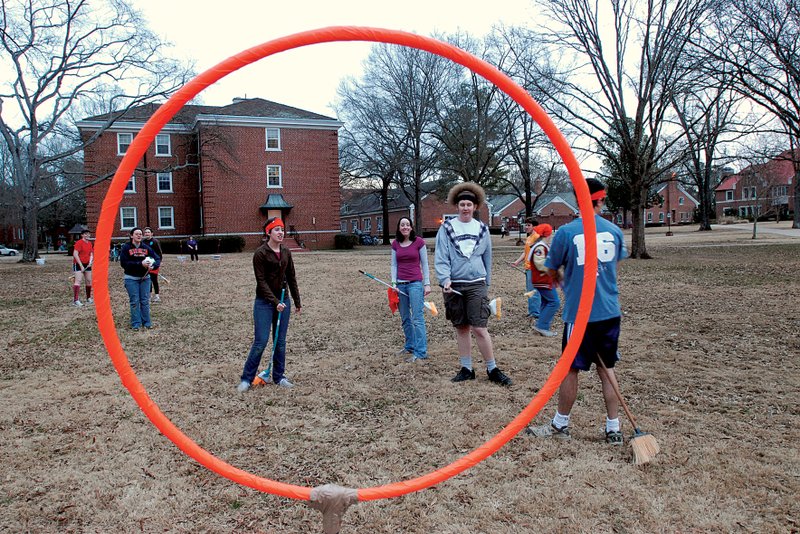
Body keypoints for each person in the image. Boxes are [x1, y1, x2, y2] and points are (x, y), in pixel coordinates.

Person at [527, 178, 628, 445]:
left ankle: (560, 425)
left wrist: (560, 277)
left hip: (580, 315)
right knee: (607, 369)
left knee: (570, 369)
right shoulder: (614, 231)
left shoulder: (566, 233)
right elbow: (612, 271)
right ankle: (613, 428)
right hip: (609, 311)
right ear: (601, 200)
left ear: (576, 199)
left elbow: (550, 268)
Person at [434, 182, 512, 386]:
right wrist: (445, 279)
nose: (465, 208)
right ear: (457, 207)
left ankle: (492, 368)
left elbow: (487, 256)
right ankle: (466, 368)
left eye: (469, 204)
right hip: (454, 286)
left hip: (476, 284)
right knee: (461, 327)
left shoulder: (482, 229)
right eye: (462, 205)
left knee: (479, 328)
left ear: (475, 206)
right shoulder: (447, 228)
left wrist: (486, 281)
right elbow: (441, 256)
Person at [237, 218, 302, 392]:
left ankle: (279, 377)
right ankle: (246, 378)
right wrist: (275, 302)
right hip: (264, 303)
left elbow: (291, 277)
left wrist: (296, 301)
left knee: (280, 342)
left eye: (282, 229)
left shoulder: (286, 252)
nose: (281, 232)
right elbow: (261, 281)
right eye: (277, 230)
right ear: (268, 233)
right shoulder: (260, 253)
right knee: (261, 341)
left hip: (283, 300)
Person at [391, 216, 431, 361]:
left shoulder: (419, 242)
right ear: (399, 228)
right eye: (402, 225)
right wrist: (394, 284)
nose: (405, 227)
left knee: (417, 318)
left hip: (415, 284)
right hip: (401, 286)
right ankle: (410, 346)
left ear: (411, 227)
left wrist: (427, 284)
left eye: (407, 225)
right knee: (405, 318)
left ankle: (421, 352)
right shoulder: (395, 244)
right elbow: (394, 265)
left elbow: (425, 264)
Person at [119, 227, 161, 331]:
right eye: (137, 234)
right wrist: (140, 264)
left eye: (140, 234)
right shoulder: (126, 247)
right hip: (131, 279)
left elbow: (157, 258)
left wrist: (153, 265)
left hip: (145, 278)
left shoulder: (146, 247)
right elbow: (124, 263)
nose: (139, 235)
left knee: (145, 301)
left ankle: (147, 323)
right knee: (134, 301)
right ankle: (136, 324)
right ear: (131, 235)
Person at [529, 224, 560, 336]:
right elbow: (540, 263)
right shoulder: (540, 247)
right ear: (548, 234)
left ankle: (541, 324)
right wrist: (553, 270)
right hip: (543, 280)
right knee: (554, 302)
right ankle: (542, 326)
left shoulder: (541, 246)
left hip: (542, 280)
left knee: (546, 302)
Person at [510, 217, 542, 320]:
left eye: (528, 225)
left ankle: (536, 313)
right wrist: (517, 262)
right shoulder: (528, 238)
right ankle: (532, 311)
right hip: (528, 269)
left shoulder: (537, 238)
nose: (526, 227)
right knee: (530, 290)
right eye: (526, 225)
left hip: (534, 269)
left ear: (534, 226)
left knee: (534, 291)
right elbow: (525, 252)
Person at [71, 229, 94, 307]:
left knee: (89, 280)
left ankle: (88, 298)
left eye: (88, 234)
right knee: (78, 281)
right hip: (78, 264)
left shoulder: (90, 243)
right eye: (85, 234)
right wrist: (81, 265)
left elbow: (91, 254)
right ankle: (76, 300)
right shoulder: (79, 243)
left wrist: (90, 262)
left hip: (87, 264)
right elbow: (75, 254)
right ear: (82, 235)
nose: (87, 235)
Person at [143, 227, 163, 302]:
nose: (147, 234)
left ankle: (157, 296)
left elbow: (159, 253)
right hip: (146, 263)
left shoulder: (155, 241)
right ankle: (149, 296)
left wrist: (157, 263)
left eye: (148, 232)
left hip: (154, 263)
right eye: (145, 232)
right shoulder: (143, 242)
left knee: (154, 279)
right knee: (148, 280)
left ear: (152, 233)